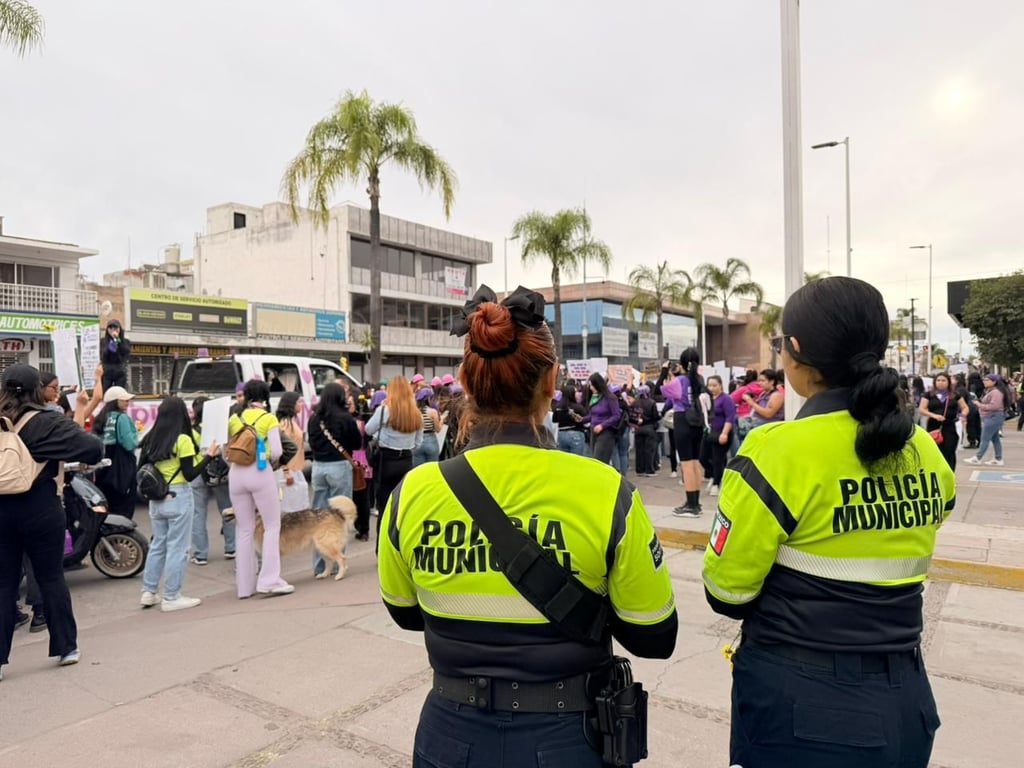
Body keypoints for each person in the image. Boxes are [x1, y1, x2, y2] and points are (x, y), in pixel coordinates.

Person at [378, 285, 678, 766]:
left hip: (449, 736)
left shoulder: (412, 493)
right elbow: (655, 635)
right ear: (552, 379)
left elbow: (406, 613)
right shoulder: (605, 491)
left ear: (464, 381)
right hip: (567, 738)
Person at [702, 277, 955, 768]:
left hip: (805, 710)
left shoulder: (777, 452)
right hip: (906, 699)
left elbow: (726, 593)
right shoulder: (923, 449)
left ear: (795, 352)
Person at [0, 365, 104, 681]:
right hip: (41, 508)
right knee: (50, 577)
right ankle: (66, 647)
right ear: (37, 390)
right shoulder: (46, 421)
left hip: (1, 511)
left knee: (3, 584)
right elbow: (93, 448)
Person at [138, 397, 218, 612]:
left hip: (157, 499)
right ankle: (172, 596)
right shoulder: (183, 440)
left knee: (158, 545)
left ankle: (149, 591)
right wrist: (209, 456)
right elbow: (190, 474)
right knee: (178, 548)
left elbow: (141, 468)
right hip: (179, 495)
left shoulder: (150, 438)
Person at [228, 380, 292, 597]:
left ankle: (244, 587)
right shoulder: (268, 418)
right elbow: (277, 451)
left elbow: (226, 449)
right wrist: (261, 457)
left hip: (236, 474)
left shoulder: (235, 418)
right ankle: (269, 580)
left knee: (244, 529)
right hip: (259, 472)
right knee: (272, 526)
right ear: (265, 396)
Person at [366, 376, 423, 551]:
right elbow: (418, 443)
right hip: (406, 460)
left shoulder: (385, 410)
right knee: (402, 506)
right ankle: (400, 546)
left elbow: (368, 429)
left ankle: (382, 549)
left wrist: (381, 438)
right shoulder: (416, 413)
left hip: (386, 461)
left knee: (384, 507)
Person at [658, 348, 707, 517]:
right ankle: (696, 502)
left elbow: (657, 390)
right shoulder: (700, 380)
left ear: (682, 363)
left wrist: (664, 371)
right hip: (697, 422)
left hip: (682, 420)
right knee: (695, 463)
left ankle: (690, 504)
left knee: (686, 464)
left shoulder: (680, 381)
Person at [189, 397, 236, 565]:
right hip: (220, 472)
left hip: (198, 471)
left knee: (198, 513)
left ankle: (200, 553)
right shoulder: (219, 429)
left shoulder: (191, 430)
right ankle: (231, 547)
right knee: (227, 510)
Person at [92, 385, 139, 520]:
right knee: (123, 510)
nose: (127, 402)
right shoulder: (122, 418)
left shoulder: (100, 418)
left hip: (103, 470)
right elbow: (129, 444)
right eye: (124, 399)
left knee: (107, 507)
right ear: (115, 401)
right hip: (122, 469)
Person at [918, 373, 970, 471]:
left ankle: (949, 473)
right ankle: (936, 473)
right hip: (933, 426)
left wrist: (962, 416)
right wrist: (933, 415)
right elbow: (922, 409)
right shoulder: (929, 394)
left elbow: (965, 407)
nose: (940, 383)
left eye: (943, 380)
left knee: (949, 451)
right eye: (938, 380)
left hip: (950, 426)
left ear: (948, 382)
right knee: (934, 451)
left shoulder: (954, 395)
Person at [276, 391, 312, 514]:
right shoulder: (285, 424)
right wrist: (286, 471)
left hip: (295, 468)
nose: (301, 404)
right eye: (298, 402)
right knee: (291, 510)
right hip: (289, 470)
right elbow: (281, 449)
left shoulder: (290, 422)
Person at [965, 374, 1010, 466]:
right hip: (991, 417)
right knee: (995, 439)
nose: (984, 381)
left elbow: (995, 406)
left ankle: (978, 457)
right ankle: (998, 458)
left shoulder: (996, 392)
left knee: (985, 438)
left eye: (987, 380)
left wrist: (979, 405)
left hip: (993, 417)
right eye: (984, 380)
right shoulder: (991, 391)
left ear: (994, 382)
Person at [704, 375, 735, 496]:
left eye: (714, 385)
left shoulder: (726, 399)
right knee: (703, 457)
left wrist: (724, 433)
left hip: (722, 431)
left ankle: (716, 483)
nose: (711, 388)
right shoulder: (707, 398)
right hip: (708, 432)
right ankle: (713, 475)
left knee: (718, 459)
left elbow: (730, 417)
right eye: (709, 385)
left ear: (721, 385)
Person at [586, 372, 620, 464]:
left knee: (600, 460)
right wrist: (581, 419)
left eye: (592, 385)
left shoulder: (610, 398)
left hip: (606, 433)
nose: (590, 388)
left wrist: (602, 425)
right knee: (594, 459)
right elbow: (592, 415)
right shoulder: (594, 398)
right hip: (593, 431)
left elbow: (616, 415)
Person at [552, 382, 589, 456]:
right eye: (575, 392)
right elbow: (586, 423)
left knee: (564, 461)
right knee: (577, 461)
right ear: (572, 394)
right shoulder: (578, 407)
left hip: (561, 435)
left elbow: (554, 419)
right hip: (576, 434)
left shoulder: (558, 407)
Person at [631, 384, 659, 476]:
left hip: (638, 428)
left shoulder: (635, 403)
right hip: (649, 427)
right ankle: (649, 470)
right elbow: (655, 416)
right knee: (649, 450)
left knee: (639, 450)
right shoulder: (652, 402)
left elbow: (631, 415)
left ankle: (640, 470)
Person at [412, 387, 441, 467]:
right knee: (433, 469)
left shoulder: (414, 412)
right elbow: (437, 429)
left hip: (417, 441)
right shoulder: (433, 412)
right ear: (428, 398)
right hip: (431, 441)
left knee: (418, 471)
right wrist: (442, 421)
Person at [100, 319, 131, 390]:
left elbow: (125, 352)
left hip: (120, 371)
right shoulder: (103, 341)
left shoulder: (126, 341)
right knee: (106, 393)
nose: (113, 330)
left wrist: (117, 339)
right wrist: (112, 343)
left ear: (120, 329)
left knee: (119, 393)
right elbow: (104, 355)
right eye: (110, 328)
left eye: (115, 328)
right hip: (107, 371)